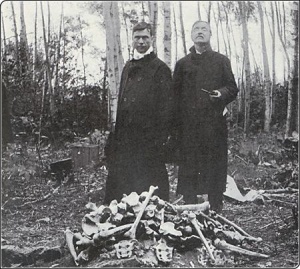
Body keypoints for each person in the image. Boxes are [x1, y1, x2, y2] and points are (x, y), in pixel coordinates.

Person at [104, 22, 174, 204]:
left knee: (149, 183)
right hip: (126, 137)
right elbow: (121, 103)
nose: (141, 41)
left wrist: (160, 138)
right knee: (124, 183)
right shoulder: (128, 67)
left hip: (149, 138)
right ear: (132, 39)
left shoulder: (160, 69)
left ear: (151, 39)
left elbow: (167, 107)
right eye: (137, 38)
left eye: (145, 37)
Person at [173, 21, 239, 212]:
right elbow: (175, 97)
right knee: (189, 165)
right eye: (196, 29)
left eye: (204, 29)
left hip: (214, 125)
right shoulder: (182, 64)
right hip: (188, 127)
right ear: (191, 35)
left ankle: (216, 208)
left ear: (210, 34)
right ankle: (189, 210)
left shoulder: (221, 61)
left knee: (215, 165)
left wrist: (220, 94)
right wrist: (175, 127)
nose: (200, 32)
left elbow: (232, 88)